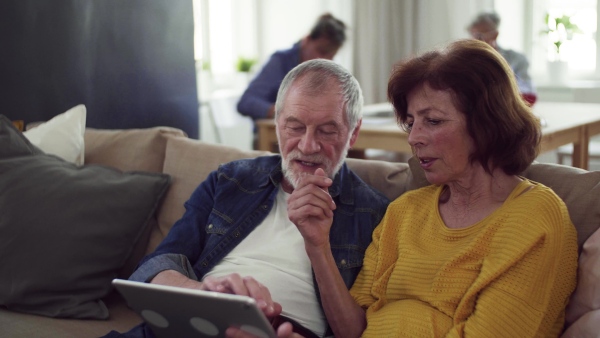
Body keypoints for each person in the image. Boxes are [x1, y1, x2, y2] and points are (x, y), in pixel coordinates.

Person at [279, 39, 578, 337]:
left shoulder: (535, 217)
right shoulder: (404, 211)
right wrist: (318, 246)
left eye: (433, 121)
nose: (413, 138)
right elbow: (353, 329)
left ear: (487, 124)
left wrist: (400, 320)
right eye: (411, 123)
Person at [103, 58, 390, 338]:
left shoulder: (375, 213)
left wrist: (319, 247)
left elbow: (357, 331)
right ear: (277, 122)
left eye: (327, 131)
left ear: (352, 134)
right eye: (295, 127)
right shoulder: (229, 180)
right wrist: (208, 294)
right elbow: (155, 266)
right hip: (194, 320)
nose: (307, 145)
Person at [237, 13, 346, 122]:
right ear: (306, 40)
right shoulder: (280, 61)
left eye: (331, 56)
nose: (325, 60)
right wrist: (281, 111)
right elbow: (246, 102)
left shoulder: (325, 73)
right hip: (273, 136)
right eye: (321, 51)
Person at [468, 11, 538, 105]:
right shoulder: (467, 61)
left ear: (495, 34)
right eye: (473, 35)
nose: (475, 40)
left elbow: (529, 94)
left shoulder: (516, 59)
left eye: (480, 35)